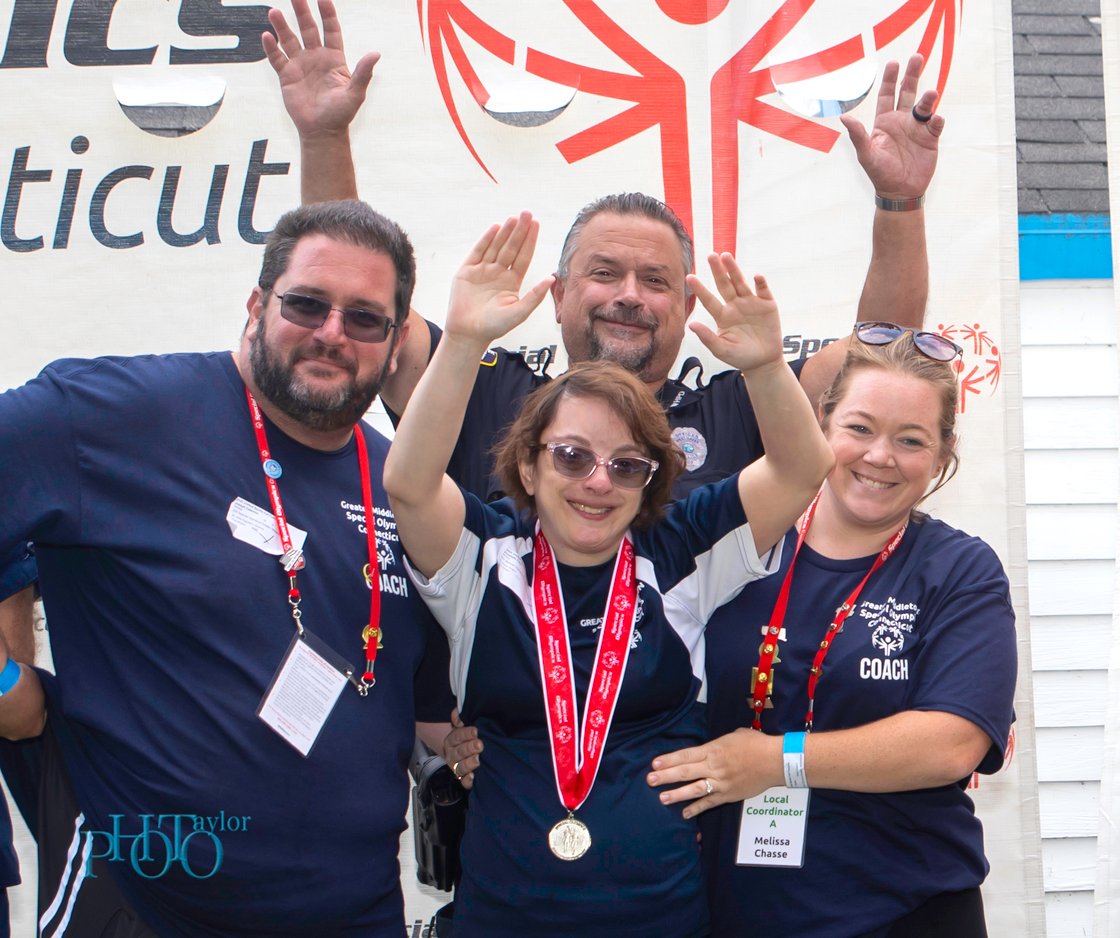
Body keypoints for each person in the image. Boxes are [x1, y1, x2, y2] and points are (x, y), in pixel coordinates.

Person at [263, 0, 943, 503]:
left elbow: (879, 355)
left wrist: (900, 204)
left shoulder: (741, 409)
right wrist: (324, 140)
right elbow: (351, 290)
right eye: (604, 273)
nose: (628, 294)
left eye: (653, 280)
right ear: (557, 295)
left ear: (685, 305)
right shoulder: (481, 386)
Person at [0, 200, 455, 936]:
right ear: (255, 304)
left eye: (365, 319)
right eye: (306, 304)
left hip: (356, 911)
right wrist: (7, 676)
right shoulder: (112, 416)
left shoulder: (403, 483)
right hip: (144, 908)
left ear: (397, 340)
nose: (333, 333)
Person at [382, 211, 834, 937]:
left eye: (626, 465)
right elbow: (408, 482)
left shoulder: (681, 549)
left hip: (661, 916)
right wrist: (463, 341)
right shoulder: (485, 554)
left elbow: (802, 468)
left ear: (652, 479)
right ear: (527, 463)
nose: (597, 481)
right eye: (570, 457)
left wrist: (763, 365)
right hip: (504, 918)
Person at [645, 325, 1017, 937]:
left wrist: (776, 760)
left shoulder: (959, 570)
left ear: (943, 453)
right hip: (734, 910)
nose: (880, 457)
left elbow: (951, 744)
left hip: (905, 911)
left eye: (911, 439)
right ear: (822, 424)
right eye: (860, 428)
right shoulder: (738, 541)